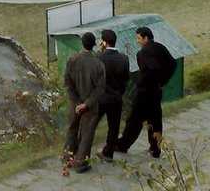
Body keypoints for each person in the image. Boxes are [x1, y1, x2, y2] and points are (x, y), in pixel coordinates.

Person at [117, 26, 177, 158]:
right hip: (157, 90)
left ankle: (122, 145)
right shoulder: (160, 47)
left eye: (139, 38)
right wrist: (162, 81)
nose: (137, 41)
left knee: (134, 120)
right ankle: (155, 148)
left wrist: (140, 83)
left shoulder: (142, 53)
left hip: (145, 92)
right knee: (155, 119)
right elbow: (173, 64)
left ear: (146, 38)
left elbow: (150, 70)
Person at [62, 32, 107, 174]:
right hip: (90, 106)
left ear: (82, 43)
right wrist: (86, 104)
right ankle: (80, 163)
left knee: (72, 128)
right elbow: (100, 89)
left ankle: (68, 155)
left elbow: (68, 83)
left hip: (74, 104)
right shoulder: (98, 64)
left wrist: (76, 102)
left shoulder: (72, 60)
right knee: (87, 133)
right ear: (93, 45)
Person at [97, 29, 130, 162]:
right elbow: (126, 78)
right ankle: (108, 153)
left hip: (101, 98)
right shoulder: (124, 58)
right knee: (114, 127)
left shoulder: (99, 57)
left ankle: (82, 152)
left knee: (91, 125)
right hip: (116, 97)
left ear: (104, 42)